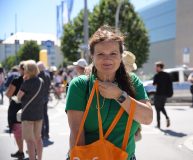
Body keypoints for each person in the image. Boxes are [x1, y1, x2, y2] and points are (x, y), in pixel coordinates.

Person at [66, 25, 153, 160]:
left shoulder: (133, 81)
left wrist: (119, 95)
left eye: (113, 53)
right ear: (92, 56)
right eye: (101, 54)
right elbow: (77, 135)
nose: (107, 59)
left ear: (120, 56)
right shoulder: (80, 85)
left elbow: (147, 118)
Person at [16, 60, 45, 160]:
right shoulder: (41, 81)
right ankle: (40, 158)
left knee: (29, 141)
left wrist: (25, 81)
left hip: (28, 114)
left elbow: (19, 97)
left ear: (27, 70)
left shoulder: (26, 83)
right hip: (39, 114)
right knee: (38, 138)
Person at [5, 61, 25, 159]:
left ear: (21, 69)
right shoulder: (36, 80)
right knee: (31, 132)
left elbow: (8, 94)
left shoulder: (17, 80)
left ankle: (21, 151)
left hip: (17, 109)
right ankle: (32, 151)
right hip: (31, 108)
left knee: (18, 132)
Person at [153, 61, 173, 129]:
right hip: (165, 94)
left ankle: (158, 124)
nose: (155, 68)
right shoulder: (167, 75)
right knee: (161, 107)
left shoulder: (157, 75)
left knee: (157, 108)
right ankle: (167, 117)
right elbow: (170, 84)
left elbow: (154, 83)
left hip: (158, 94)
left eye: (156, 67)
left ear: (159, 67)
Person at [37, 61, 51, 139]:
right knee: (45, 115)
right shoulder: (47, 75)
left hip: (39, 98)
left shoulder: (38, 76)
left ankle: (42, 133)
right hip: (46, 97)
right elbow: (49, 86)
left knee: (40, 116)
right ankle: (47, 132)